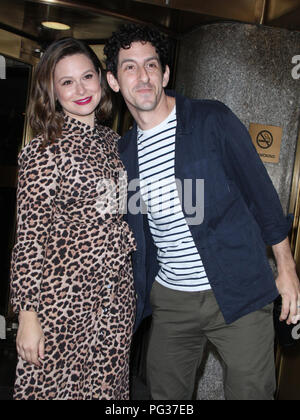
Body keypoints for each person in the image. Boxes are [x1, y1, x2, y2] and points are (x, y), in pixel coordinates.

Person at [104, 24, 300, 400]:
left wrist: (287, 270)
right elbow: (128, 232)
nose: (142, 76)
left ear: (165, 73)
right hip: (171, 301)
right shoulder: (123, 154)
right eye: (129, 67)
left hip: (237, 289)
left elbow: (262, 194)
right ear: (114, 80)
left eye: (150, 65)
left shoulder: (212, 120)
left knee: (252, 393)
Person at [10, 37, 136, 400]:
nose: (80, 89)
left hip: (116, 293)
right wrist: (28, 316)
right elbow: (30, 237)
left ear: (101, 79)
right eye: (67, 82)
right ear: (52, 90)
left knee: (106, 390)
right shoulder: (43, 149)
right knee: (53, 389)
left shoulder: (115, 143)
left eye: (87, 77)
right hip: (62, 298)